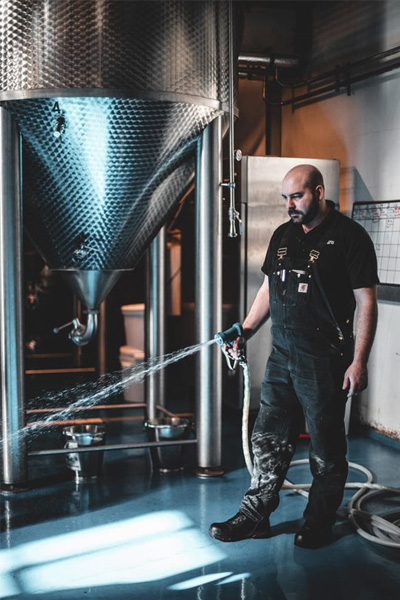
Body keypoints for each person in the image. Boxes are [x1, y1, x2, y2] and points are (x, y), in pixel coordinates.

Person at [209, 164, 379, 549]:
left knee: (325, 445)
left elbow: (366, 302)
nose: (290, 205)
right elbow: (269, 288)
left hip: (325, 360)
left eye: (297, 196)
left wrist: (359, 360)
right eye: (285, 197)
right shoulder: (283, 235)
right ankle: (257, 515)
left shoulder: (349, 237)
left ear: (318, 192)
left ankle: (317, 521)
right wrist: (246, 329)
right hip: (282, 355)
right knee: (268, 437)